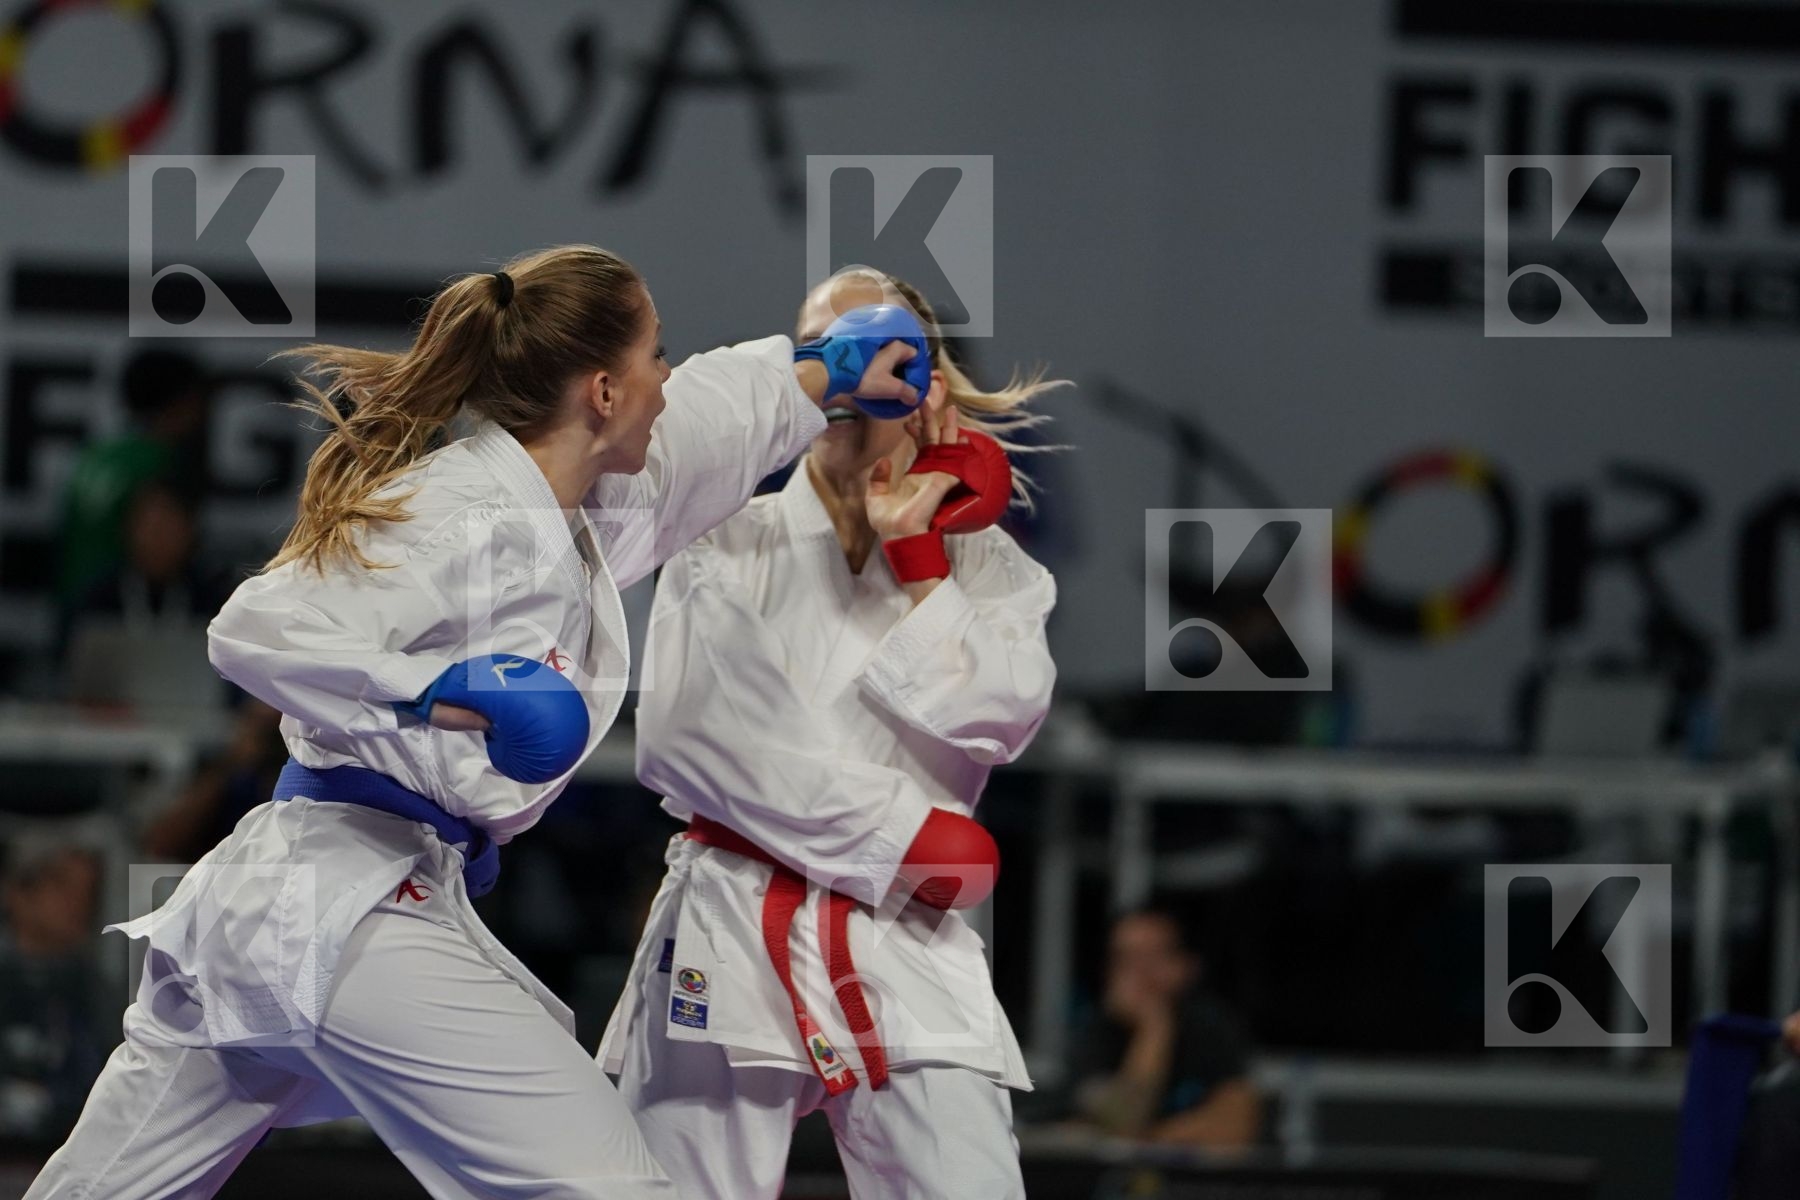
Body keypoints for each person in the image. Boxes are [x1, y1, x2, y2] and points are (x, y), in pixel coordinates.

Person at [27, 244, 924, 1200]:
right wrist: (440, 689)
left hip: (291, 904)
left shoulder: (589, 503)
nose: (668, 375)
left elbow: (715, 417)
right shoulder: (458, 504)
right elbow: (257, 627)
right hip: (345, 904)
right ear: (603, 392)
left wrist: (826, 370)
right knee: (612, 1187)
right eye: (656, 354)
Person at [598, 267, 1062, 1199]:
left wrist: (920, 557)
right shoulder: (724, 534)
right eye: (821, 349)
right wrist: (894, 834)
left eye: (878, 348)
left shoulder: (985, 565)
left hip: (905, 932)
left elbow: (1008, 713)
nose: (845, 373)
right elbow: (688, 740)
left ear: (926, 382)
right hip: (734, 913)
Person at [1068, 908, 1261, 1150]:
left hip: (1187, 1173)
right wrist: (1153, 1030)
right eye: (1126, 960)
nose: (1140, 973)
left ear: (1186, 965)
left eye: (1153, 957)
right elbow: (1121, 1120)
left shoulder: (1209, 1025)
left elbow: (1236, 1128)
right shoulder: (1096, 1031)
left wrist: (1146, 1139)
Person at [55, 348, 209, 609]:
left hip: (70, 595)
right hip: (118, 604)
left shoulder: (95, 454)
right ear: (182, 402)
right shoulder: (160, 462)